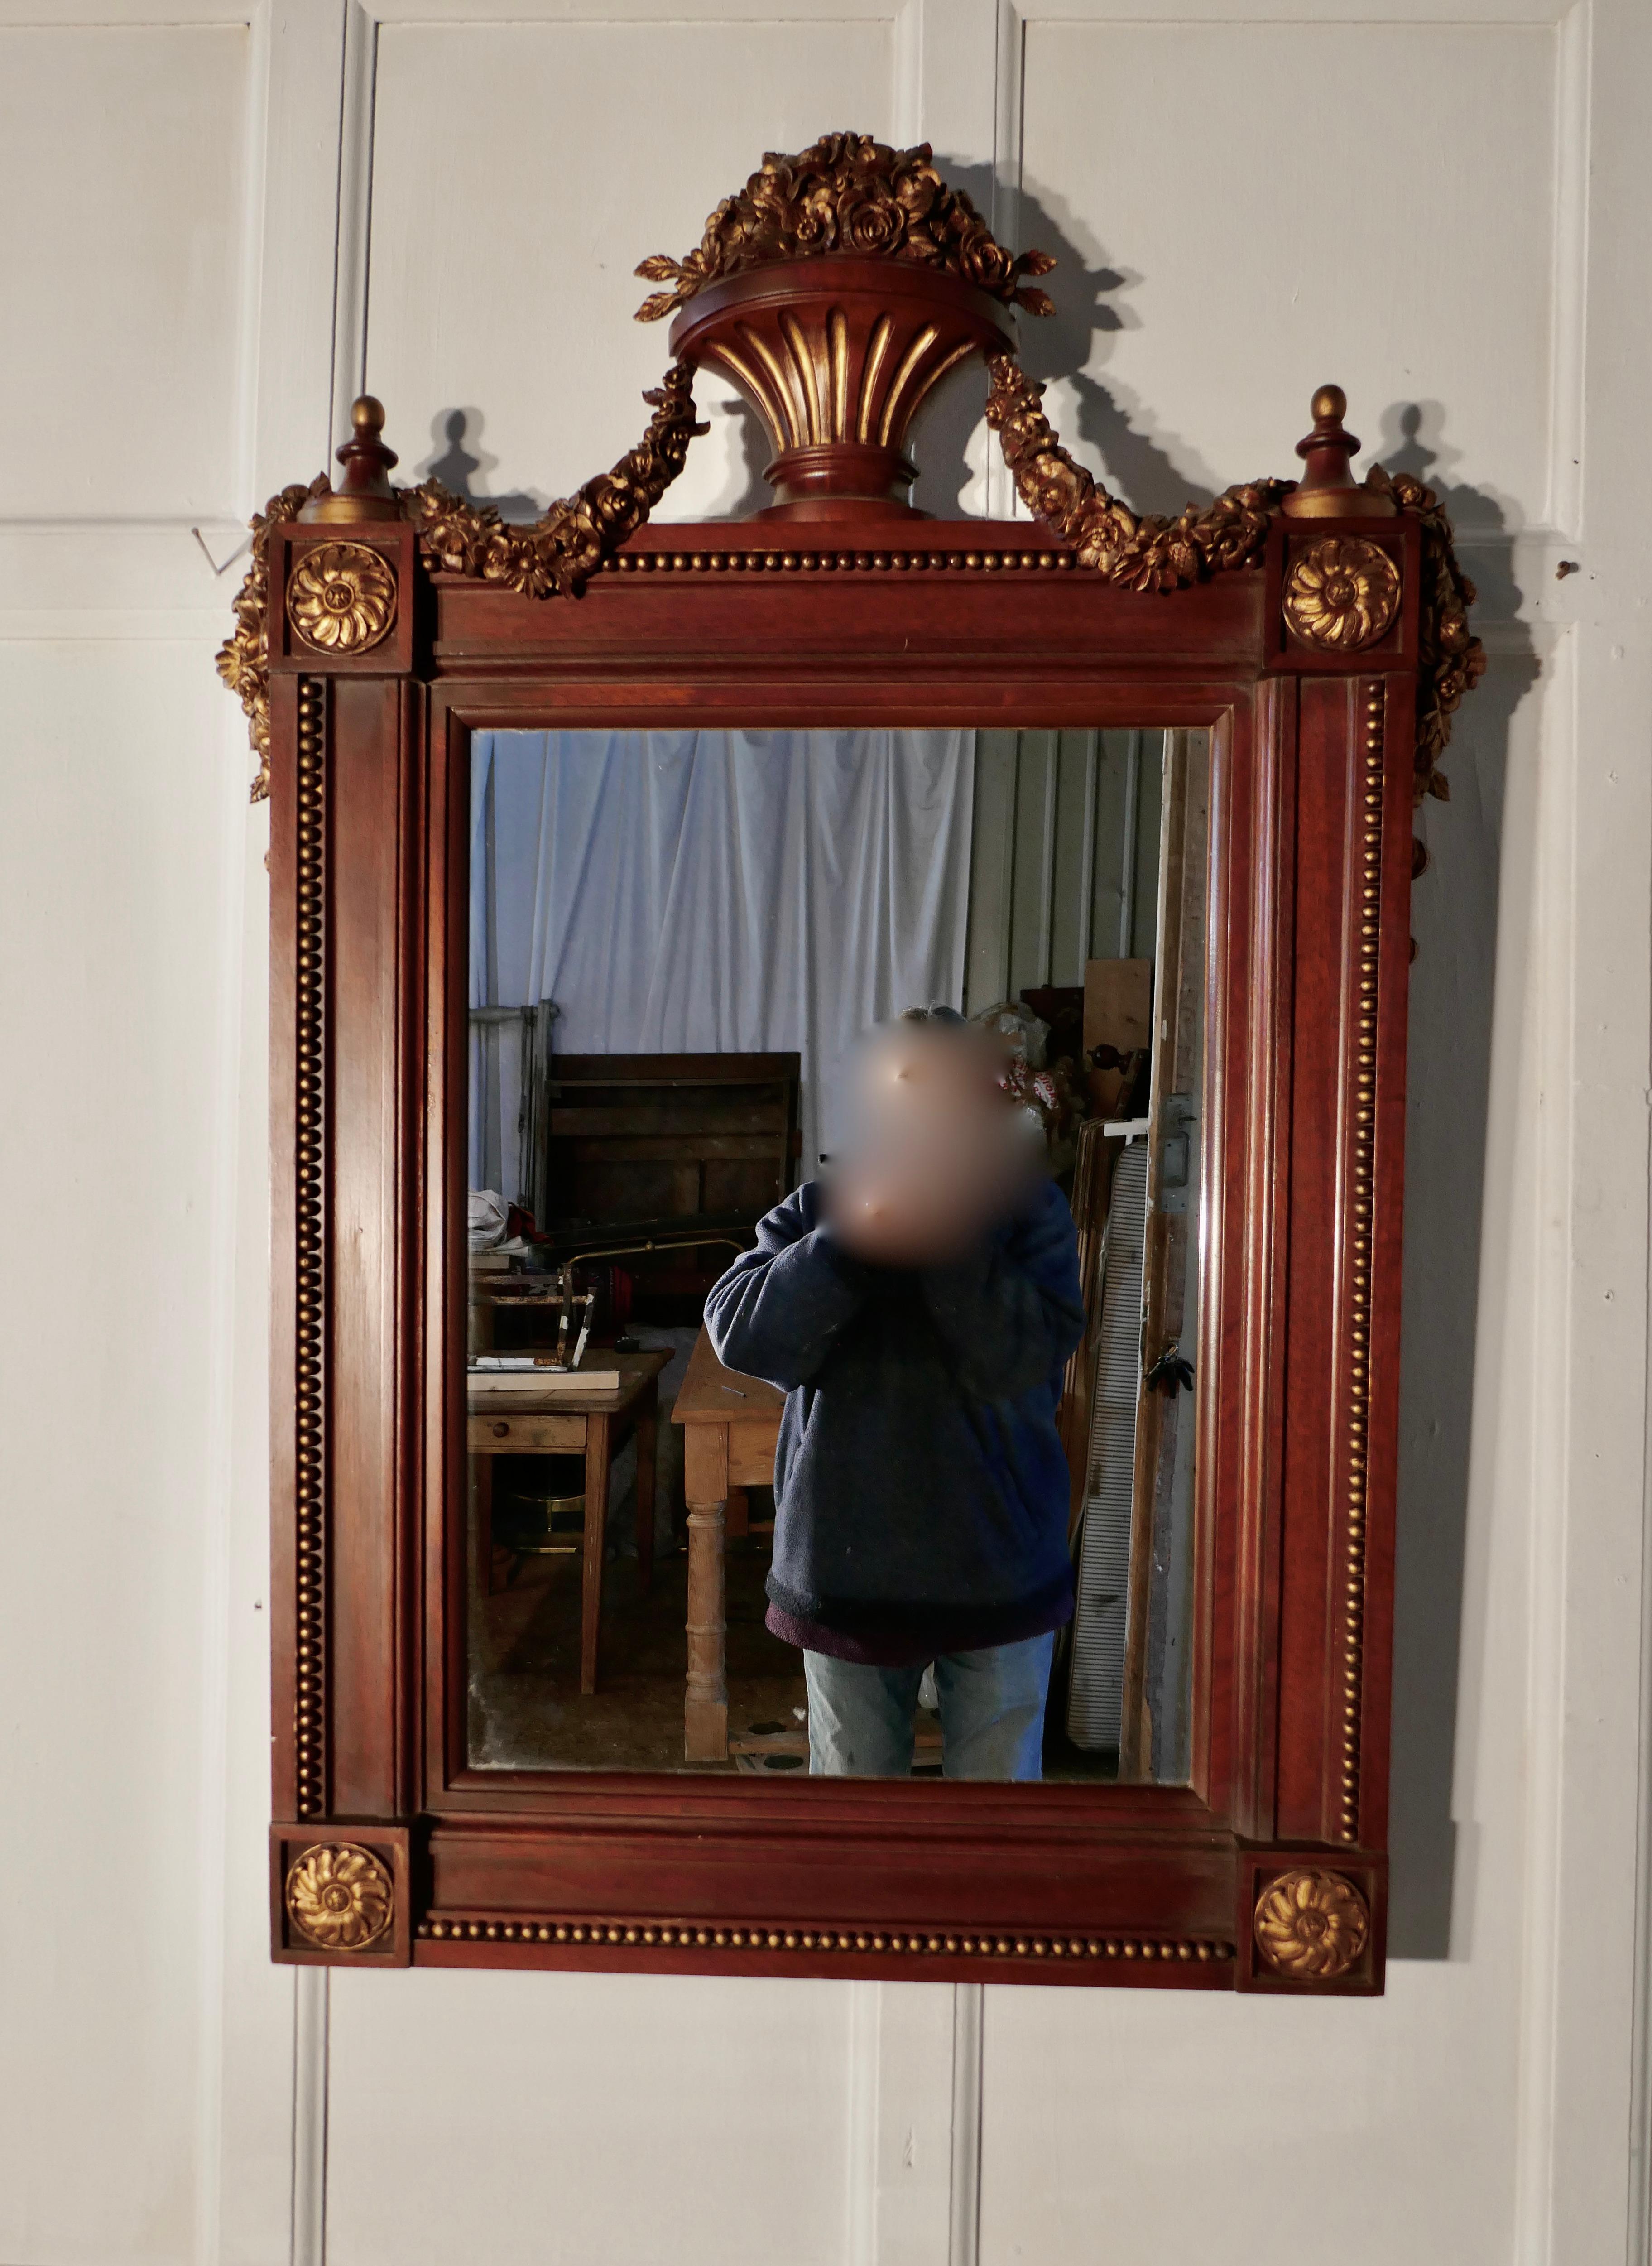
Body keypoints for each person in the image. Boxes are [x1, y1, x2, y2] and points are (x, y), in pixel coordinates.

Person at [702, 1006, 1085, 1780]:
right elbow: (744, 1335)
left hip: (1000, 1574)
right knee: (855, 1831)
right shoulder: (818, 1211)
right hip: (848, 1579)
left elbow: (1020, 1360)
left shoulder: (1032, 1216)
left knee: (995, 1837)